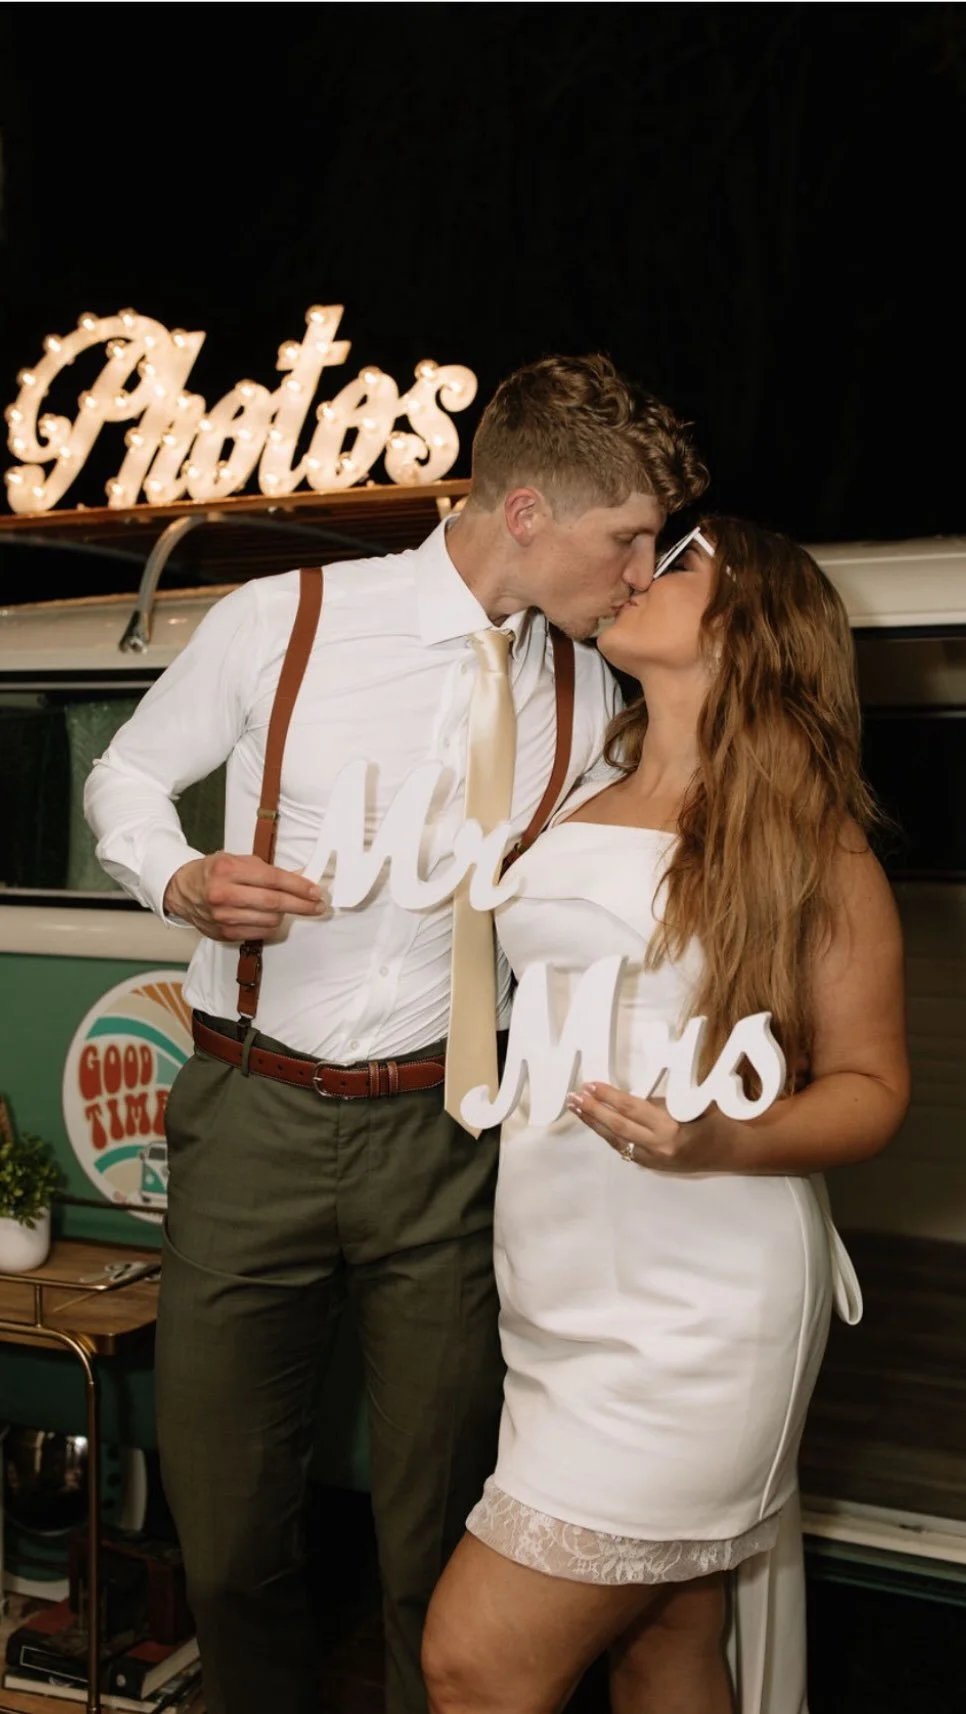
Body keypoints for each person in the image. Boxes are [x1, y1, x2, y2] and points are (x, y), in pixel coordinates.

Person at [83, 354, 708, 1714]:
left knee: (441, 1533)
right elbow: (125, 771)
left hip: (451, 1133)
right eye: (626, 537)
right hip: (250, 1115)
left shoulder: (591, 691)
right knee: (227, 1528)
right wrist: (178, 878)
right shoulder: (284, 618)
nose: (639, 571)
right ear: (528, 511)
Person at [422, 517, 910, 1714]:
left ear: (748, 625)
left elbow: (873, 1088)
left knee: (473, 1664)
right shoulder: (583, 787)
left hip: (701, 1306)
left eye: (681, 562)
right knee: (664, 1649)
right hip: (557, 1290)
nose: (640, 573)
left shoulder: (807, 839)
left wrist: (723, 1140)